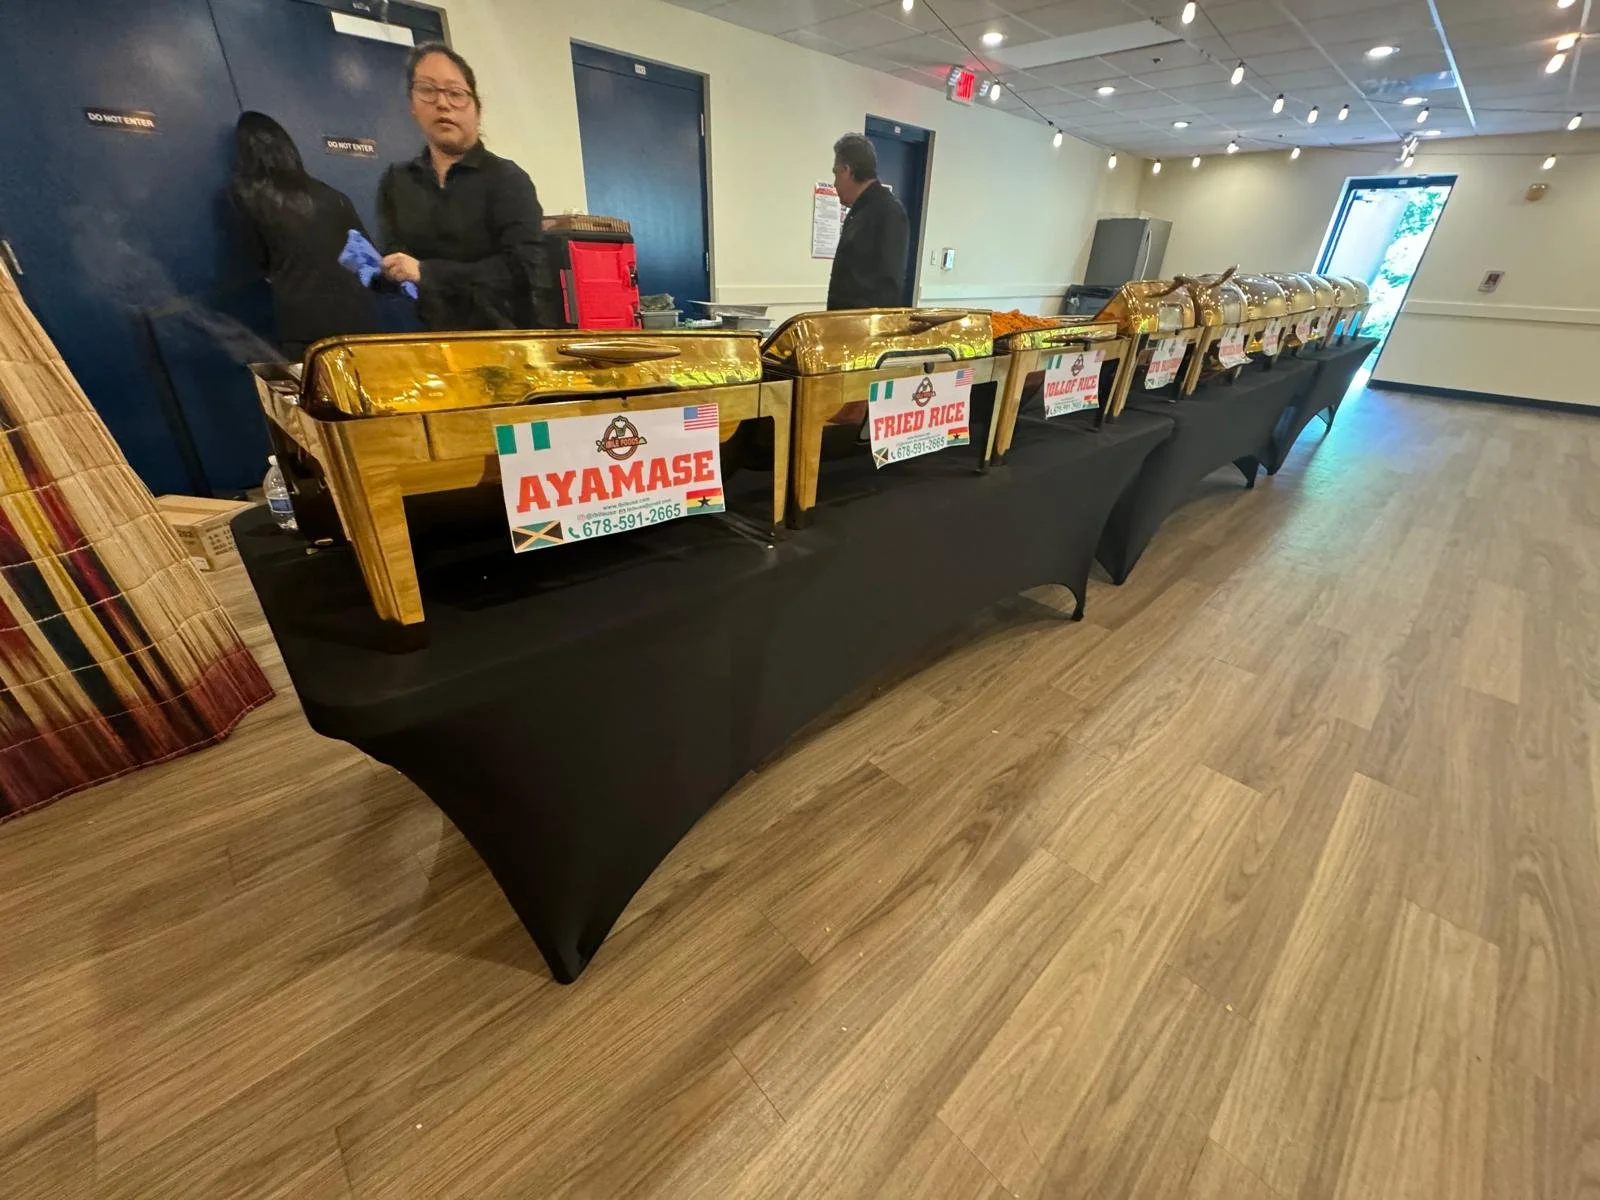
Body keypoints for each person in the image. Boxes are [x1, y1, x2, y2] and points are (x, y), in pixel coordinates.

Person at [378, 43, 544, 331]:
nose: (443, 104)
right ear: (412, 106)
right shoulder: (397, 181)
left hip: (498, 340)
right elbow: (397, 262)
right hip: (424, 341)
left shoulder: (507, 179)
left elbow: (524, 269)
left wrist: (428, 273)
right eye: (428, 90)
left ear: (476, 109)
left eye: (455, 93)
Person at [229, 112, 381, 359]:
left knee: (318, 395)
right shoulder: (332, 195)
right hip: (357, 319)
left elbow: (255, 259)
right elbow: (369, 261)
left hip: (303, 324)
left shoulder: (246, 194)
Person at [826, 133, 909, 310]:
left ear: (847, 170)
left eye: (836, 174)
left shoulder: (888, 210)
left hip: (864, 329)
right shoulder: (859, 210)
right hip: (845, 325)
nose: (834, 184)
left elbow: (887, 287)